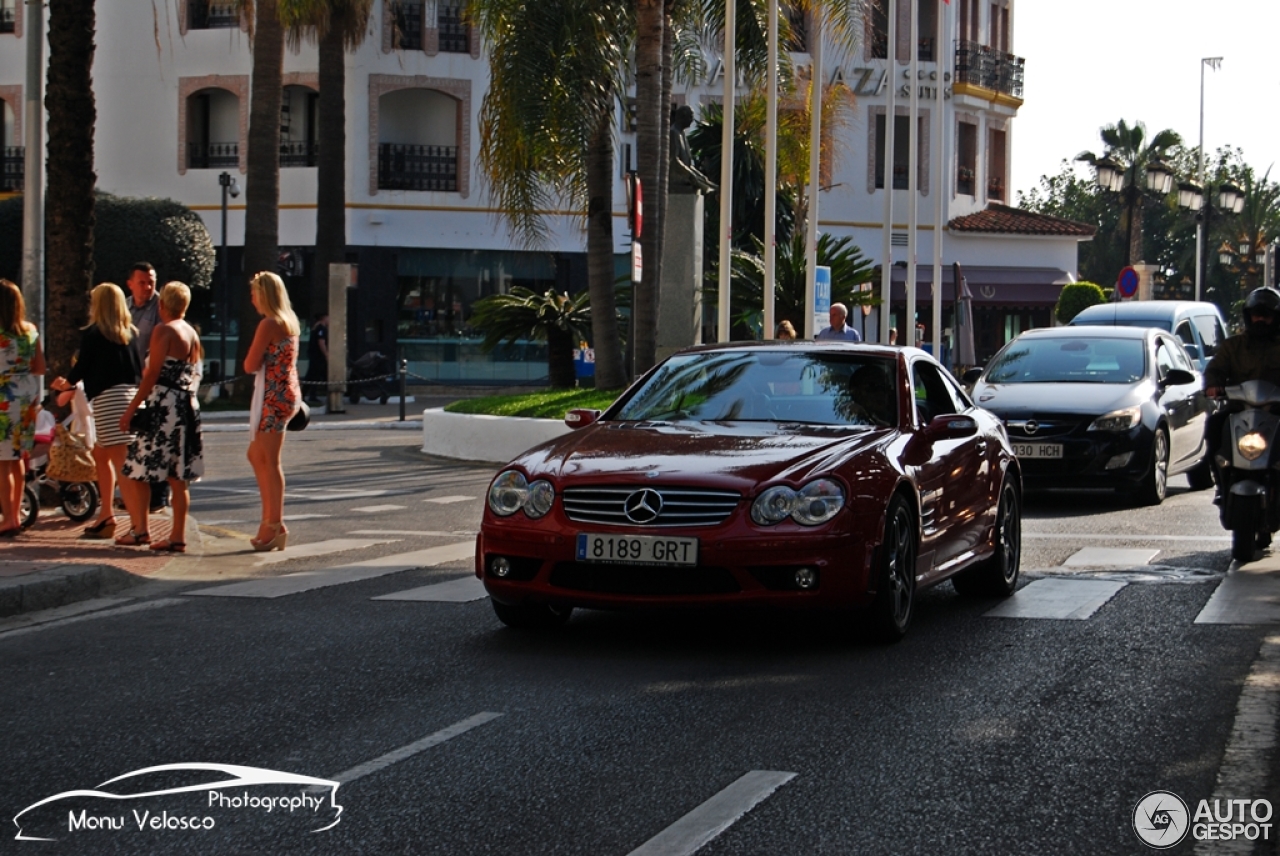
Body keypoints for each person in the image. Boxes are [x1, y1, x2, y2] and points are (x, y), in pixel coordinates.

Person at [50, 283, 143, 539]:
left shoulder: (94, 333)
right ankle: (106, 515)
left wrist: (64, 385)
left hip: (108, 401)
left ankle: (137, 527)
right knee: (102, 457)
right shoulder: (131, 333)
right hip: (130, 398)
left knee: (120, 463)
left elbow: (83, 367)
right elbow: (139, 369)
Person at [117, 282, 205, 551]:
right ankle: (177, 536)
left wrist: (131, 409)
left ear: (162, 304)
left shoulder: (163, 330)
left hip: (163, 406)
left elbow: (152, 374)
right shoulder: (192, 333)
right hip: (187, 406)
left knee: (137, 469)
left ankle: (141, 530)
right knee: (179, 477)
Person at [1203, 287, 1280, 498]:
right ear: (1248, 316)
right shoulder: (1232, 346)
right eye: (1256, 314)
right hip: (1239, 409)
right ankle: (1222, 482)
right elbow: (1215, 370)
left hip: (1276, 411)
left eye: (1266, 315)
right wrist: (1213, 385)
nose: (1261, 319)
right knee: (1214, 426)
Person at [245, 271, 302, 553]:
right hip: (285, 393)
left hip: (273, 395)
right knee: (258, 455)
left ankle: (273, 524)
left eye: (255, 292)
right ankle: (271, 522)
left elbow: (249, 363)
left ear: (264, 294)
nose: (252, 298)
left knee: (268, 460)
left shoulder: (269, 324)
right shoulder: (290, 321)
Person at [0, 279, 46, 537]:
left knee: (2, 463)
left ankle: (9, 518)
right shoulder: (30, 330)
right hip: (26, 399)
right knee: (17, 459)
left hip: (3, 399)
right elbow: (40, 367)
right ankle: (16, 514)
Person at [125, 261, 170, 513]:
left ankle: (159, 496)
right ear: (130, 284)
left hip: (154, 381)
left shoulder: (161, 307)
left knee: (157, 438)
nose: (148, 286)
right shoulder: (124, 307)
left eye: (151, 281)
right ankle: (137, 492)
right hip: (129, 381)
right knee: (137, 440)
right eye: (142, 282)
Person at [304, 312, 329, 406]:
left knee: (313, 376)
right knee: (313, 375)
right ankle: (309, 395)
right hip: (317, 356)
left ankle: (311, 395)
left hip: (314, 355)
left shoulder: (316, 328)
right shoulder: (321, 329)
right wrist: (326, 354)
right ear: (324, 318)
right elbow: (321, 342)